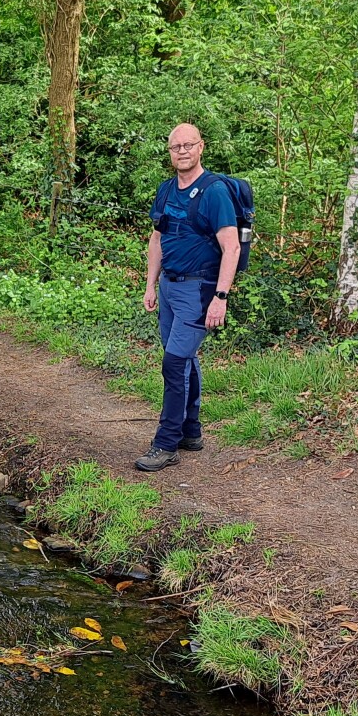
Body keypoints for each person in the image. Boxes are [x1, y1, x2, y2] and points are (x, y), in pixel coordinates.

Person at [135, 123, 240, 472]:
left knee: (175, 362)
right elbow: (156, 240)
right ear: (170, 152)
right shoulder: (166, 190)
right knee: (182, 358)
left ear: (201, 148)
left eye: (188, 145)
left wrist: (220, 296)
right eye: (175, 147)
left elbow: (231, 246)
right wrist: (151, 284)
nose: (182, 151)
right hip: (169, 287)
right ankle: (190, 432)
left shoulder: (214, 192)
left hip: (199, 290)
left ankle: (165, 445)